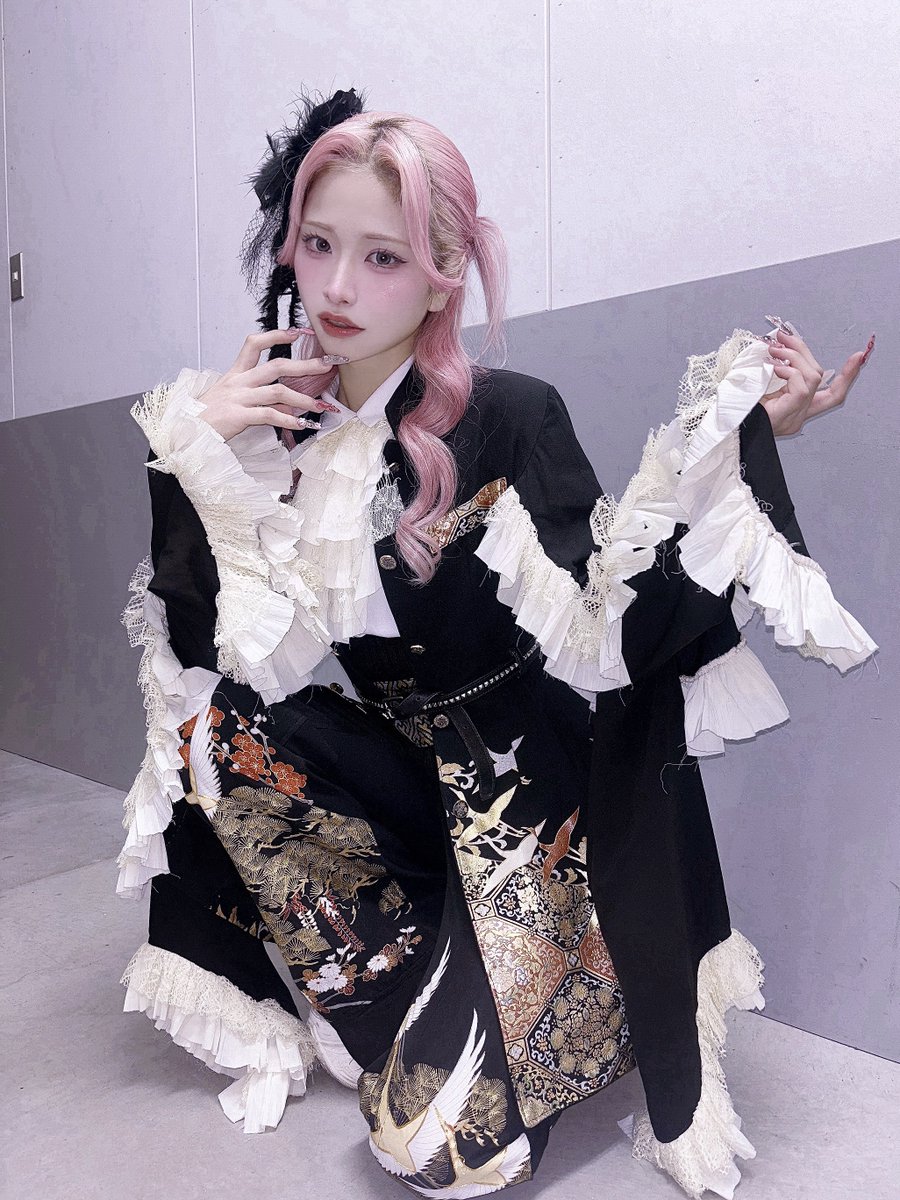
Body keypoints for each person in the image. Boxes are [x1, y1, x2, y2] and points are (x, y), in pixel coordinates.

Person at [115, 88, 877, 1199]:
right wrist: (193, 458)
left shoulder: (511, 413)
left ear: (441, 275)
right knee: (208, 735)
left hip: (535, 808)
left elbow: (618, 623)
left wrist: (751, 435)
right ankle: (412, 986)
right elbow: (200, 654)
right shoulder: (286, 440)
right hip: (407, 782)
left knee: (432, 1151)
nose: (337, 287)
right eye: (318, 245)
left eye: (381, 257)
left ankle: (568, 986)